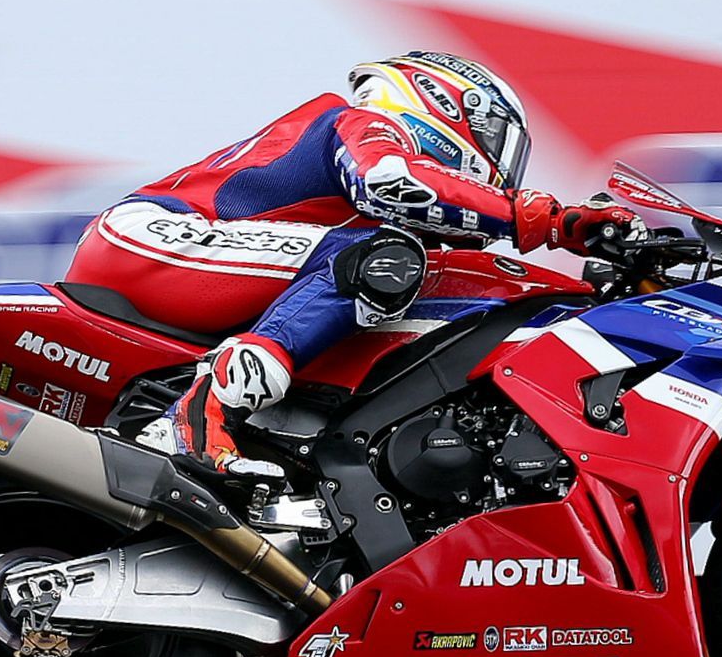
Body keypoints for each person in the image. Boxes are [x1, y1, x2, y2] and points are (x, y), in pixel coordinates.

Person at [64, 51, 640, 477]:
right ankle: (197, 416)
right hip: (154, 236)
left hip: (190, 253)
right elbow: (392, 183)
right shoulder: (365, 124)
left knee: (397, 265)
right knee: (382, 257)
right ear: (447, 105)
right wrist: (553, 220)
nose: (499, 168)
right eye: (499, 144)